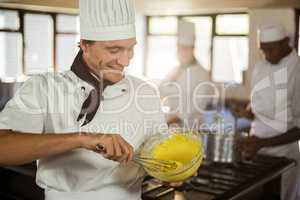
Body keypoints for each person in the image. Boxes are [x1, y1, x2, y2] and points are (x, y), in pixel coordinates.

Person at [0, 0, 171, 199]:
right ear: (84, 45)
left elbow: (161, 152)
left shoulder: (145, 92)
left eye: (130, 48)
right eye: (114, 50)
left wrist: (173, 170)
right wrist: (81, 139)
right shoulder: (43, 87)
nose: (125, 61)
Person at [233, 25, 300, 200]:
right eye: (263, 50)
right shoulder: (261, 66)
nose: (267, 56)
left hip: (283, 154)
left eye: (271, 49)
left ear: (286, 42)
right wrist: (246, 112)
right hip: (256, 149)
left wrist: (262, 142)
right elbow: (257, 105)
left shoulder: (297, 71)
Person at [159, 19, 212, 130]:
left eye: (184, 48)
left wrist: (174, 119)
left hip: (191, 129)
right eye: (179, 48)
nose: (181, 52)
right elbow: (161, 90)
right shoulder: (175, 70)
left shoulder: (202, 74)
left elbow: (198, 105)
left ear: (192, 49)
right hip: (171, 127)